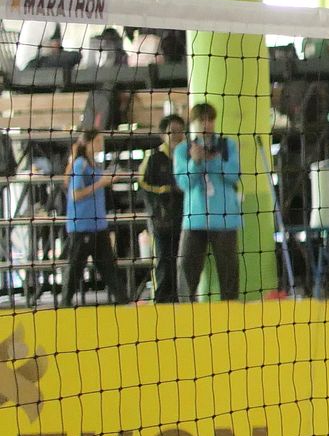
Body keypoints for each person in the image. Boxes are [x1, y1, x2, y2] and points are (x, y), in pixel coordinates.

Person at [172, 101, 243, 300]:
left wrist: (215, 160)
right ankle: (186, 312)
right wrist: (195, 162)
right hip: (194, 220)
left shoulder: (227, 146)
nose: (207, 124)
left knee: (229, 272)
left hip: (225, 219)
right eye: (201, 120)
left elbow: (234, 175)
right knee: (186, 269)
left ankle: (231, 311)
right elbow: (183, 183)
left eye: (210, 120)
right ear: (193, 123)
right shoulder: (183, 150)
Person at [60, 127, 125, 305]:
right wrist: (101, 183)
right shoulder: (80, 164)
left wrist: (107, 179)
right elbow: (75, 194)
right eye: (97, 141)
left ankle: (123, 301)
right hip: (82, 225)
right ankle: (65, 303)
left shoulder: (93, 164)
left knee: (109, 268)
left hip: (98, 225)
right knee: (75, 267)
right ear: (88, 143)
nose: (100, 144)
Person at [136, 112, 185, 303]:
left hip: (184, 218)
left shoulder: (187, 156)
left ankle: (180, 299)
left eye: (180, 131)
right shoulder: (154, 158)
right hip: (161, 220)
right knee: (164, 260)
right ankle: (161, 300)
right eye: (173, 131)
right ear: (163, 134)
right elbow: (143, 185)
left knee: (182, 260)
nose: (177, 135)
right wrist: (166, 191)